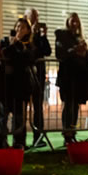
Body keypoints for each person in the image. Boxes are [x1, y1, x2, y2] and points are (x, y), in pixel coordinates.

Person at [0, 18, 38, 148]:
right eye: (18, 26)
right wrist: (14, 46)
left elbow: (27, 59)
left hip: (20, 85)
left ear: (28, 30)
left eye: (23, 27)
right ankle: (1, 142)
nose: (19, 29)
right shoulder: (6, 41)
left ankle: (19, 142)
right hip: (5, 84)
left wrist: (19, 49)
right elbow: (4, 54)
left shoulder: (29, 45)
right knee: (3, 115)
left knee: (19, 116)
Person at [55, 12, 88, 144]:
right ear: (67, 21)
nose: (75, 24)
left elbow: (86, 57)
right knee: (69, 106)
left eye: (77, 21)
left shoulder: (79, 37)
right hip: (67, 77)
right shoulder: (61, 35)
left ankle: (72, 132)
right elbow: (61, 54)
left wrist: (85, 52)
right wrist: (76, 49)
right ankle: (67, 133)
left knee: (75, 107)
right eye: (72, 21)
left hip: (78, 77)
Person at [24, 8, 51, 148]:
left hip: (38, 75)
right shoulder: (22, 32)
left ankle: (38, 137)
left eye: (37, 17)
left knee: (38, 107)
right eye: (32, 17)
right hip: (24, 75)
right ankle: (20, 140)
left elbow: (47, 51)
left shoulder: (40, 36)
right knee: (22, 108)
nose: (36, 20)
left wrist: (43, 35)